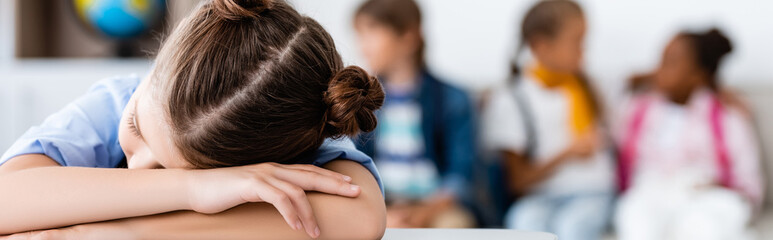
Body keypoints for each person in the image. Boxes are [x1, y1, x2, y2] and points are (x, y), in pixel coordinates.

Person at [0, 0, 387, 239]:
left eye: (167, 167)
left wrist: (122, 234)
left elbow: (362, 216)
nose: (136, 168)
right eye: (135, 126)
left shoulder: (302, 130)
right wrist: (191, 188)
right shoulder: (116, 102)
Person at [481, 1, 614, 239]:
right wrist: (568, 153)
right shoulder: (513, 99)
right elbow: (518, 181)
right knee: (525, 223)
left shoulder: (590, 87)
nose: (583, 52)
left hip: (593, 191)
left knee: (573, 227)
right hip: (539, 196)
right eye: (576, 42)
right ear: (542, 46)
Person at [614, 28, 763, 240]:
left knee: (699, 226)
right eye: (660, 60)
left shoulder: (726, 117)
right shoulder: (638, 110)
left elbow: (749, 184)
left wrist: (718, 186)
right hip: (652, 193)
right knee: (636, 218)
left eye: (670, 62)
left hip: (707, 196)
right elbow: (605, 127)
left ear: (697, 75)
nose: (659, 70)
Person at [352, 0, 477, 228]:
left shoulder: (453, 98)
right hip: (381, 203)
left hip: (437, 206)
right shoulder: (361, 101)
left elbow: (461, 172)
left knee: (454, 226)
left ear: (408, 37)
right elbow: (353, 164)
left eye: (372, 33)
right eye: (360, 36)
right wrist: (382, 213)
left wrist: (426, 212)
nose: (363, 48)